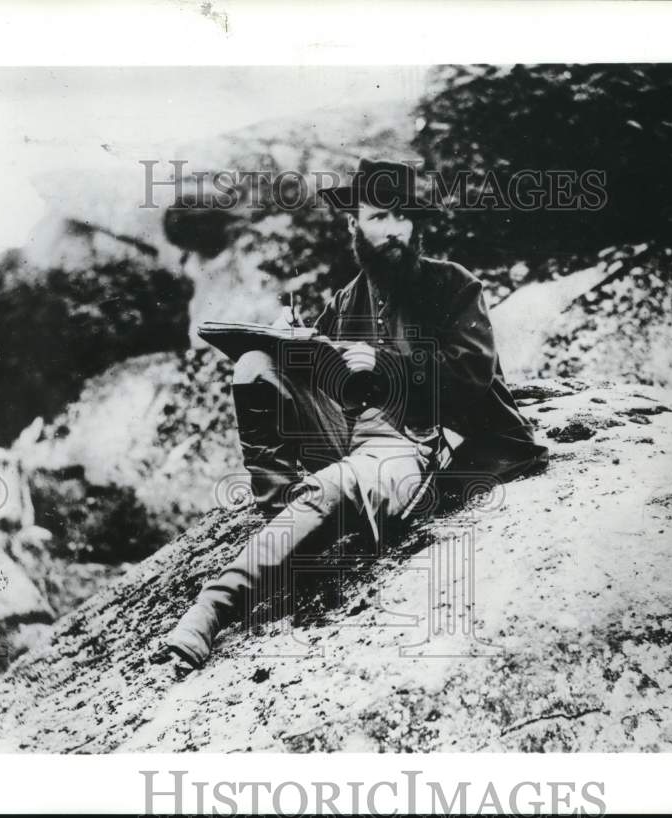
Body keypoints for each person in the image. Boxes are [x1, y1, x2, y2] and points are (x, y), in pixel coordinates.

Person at [163, 158, 548, 667]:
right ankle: (283, 518)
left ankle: (213, 607)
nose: (393, 230)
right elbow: (317, 373)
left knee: (333, 485)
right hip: (348, 435)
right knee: (255, 367)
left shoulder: (452, 285)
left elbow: (472, 379)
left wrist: (387, 366)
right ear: (354, 224)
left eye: (404, 217)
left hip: (420, 447)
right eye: (379, 216)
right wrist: (288, 343)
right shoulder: (346, 300)